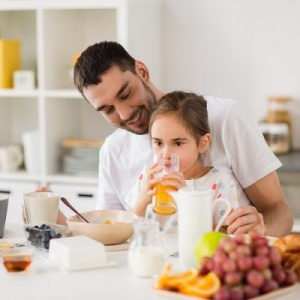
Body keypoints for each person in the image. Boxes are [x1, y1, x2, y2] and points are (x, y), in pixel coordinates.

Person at [72, 41, 293, 237]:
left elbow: (279, 210)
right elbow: (112, 231)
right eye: (107, 109)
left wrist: (261, 231)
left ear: (142, 71)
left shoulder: (225, 117)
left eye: (125, 94)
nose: (124, 114)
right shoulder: (113, 150)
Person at [129, 91, 239, 234]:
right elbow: (130, 232)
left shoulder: (218, 181)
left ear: (202, 143)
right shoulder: (148, 177)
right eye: (158, 142)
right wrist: (142, 202)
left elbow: (223, 237)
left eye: (178, 143)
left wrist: (188, 200)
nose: (166, 154)